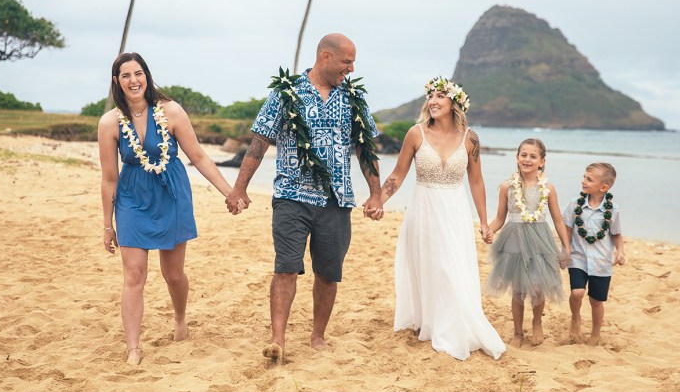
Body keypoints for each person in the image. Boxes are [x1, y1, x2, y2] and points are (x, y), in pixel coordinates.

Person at [225, 33, 383, 362]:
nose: (351, 69)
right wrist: (239, 188)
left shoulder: (353, 98)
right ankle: (277, 339)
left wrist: (376, 194)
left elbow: (365, 149)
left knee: (328, 272)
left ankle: (318, 335)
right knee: (285, 268)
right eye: (347, 62)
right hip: (291, 196)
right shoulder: (287, 93)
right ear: (326, 56)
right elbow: (259, 142)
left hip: (337, 200)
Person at [98, 52, 236, 366]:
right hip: (132, 198)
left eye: (138, 73)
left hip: (171, 194)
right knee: (134, 274)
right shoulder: (109, 123)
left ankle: (180, 318)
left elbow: (198, 157)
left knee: (173, 274)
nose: (133, 80)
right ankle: (133, 348)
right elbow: (109, 178)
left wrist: (229, 192)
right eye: (126, 75)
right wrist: (107, 224)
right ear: (117, 81)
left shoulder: (171, 110)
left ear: (146, 76)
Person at [381, 76, 506, 360]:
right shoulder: (416, 134)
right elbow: (398, 174)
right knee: (430, 265)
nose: (433, 101)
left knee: (450, 267)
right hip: (423, 209)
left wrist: (484, 221)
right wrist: (378, 200)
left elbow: (476, 182)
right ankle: (433, 321)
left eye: (440, 96)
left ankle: (451, 327)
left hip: (454, 211)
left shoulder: (470, 138)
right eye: (430, 96)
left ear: (455, 103)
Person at [485, 138, 571, 347]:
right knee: (518, 290)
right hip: (514, 241)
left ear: (542, 161)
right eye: (523, 155)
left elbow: (558, 220)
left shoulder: (548, 188)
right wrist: (489, 230)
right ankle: (517, 333)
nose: (527, 159)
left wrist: (566, 247)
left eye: (533, 156)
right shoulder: (507, 187)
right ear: (517, 157)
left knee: (538, 286)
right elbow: (500, 218)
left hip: (540, 240)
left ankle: (536, 322)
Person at [562, 162, 625, 346]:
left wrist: (620, 251)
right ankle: (575, 317)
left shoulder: (613, 210)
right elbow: (567, 227)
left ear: (604, 187)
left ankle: (595, 333)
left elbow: (616, 234)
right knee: (577, 293)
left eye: (589, 179)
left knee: (596, 301)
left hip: (601, 262)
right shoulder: (575, 204)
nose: (583, 181)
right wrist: (566, 248)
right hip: (578, 258)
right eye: (584, 177)